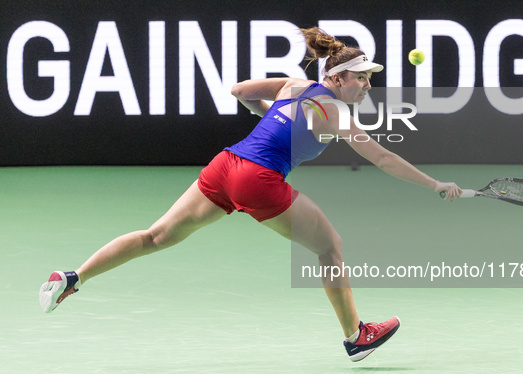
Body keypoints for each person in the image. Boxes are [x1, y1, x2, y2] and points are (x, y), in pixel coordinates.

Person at [39, 27, 462, 362]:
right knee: (330, 247)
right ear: (336, 78)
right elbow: (383, 158)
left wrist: (271, 120)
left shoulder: (295, 86)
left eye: (371, 77)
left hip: (225, 166)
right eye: (362, 76)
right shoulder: (336, 111)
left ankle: (72, 278)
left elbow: (240, 91)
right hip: (259, 179)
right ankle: (356, 337)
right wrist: (435, 184)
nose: (368, 84)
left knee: (156, 236)